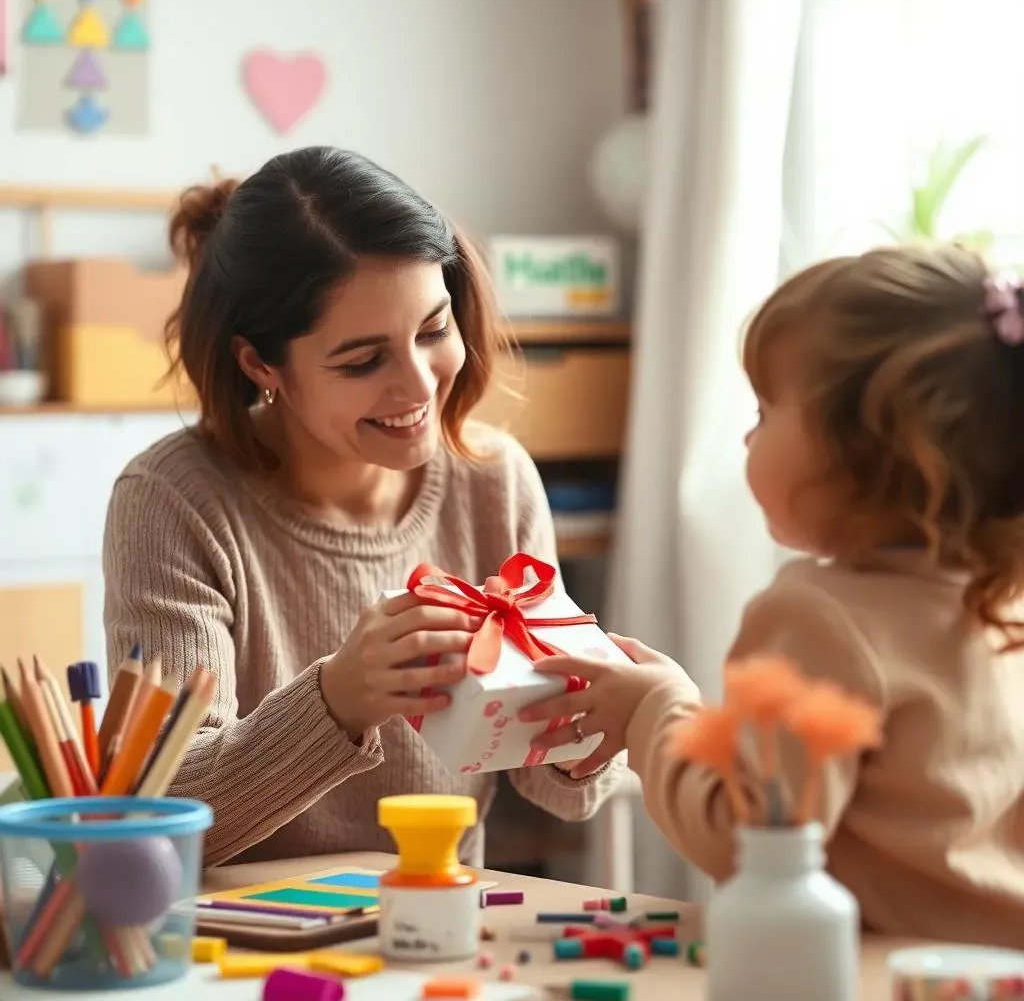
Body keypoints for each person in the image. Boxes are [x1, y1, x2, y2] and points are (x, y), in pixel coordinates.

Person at [102, 146, 623, 868]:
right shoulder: (175, 502)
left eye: (434, 331)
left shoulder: (495, 480)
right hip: (239, 950)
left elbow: (562, 793)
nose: (418, 386)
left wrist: (595, 722)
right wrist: (339, 698)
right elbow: (159, 819)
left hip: (437, 923)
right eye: (362, 360)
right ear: (261, 364)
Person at [519, 243, 1024, 946]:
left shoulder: (821, 617)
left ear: (863, 447)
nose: (749, 432)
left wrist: (653, 710)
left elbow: (755, 845)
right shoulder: (999, 603)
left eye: (764, 407)